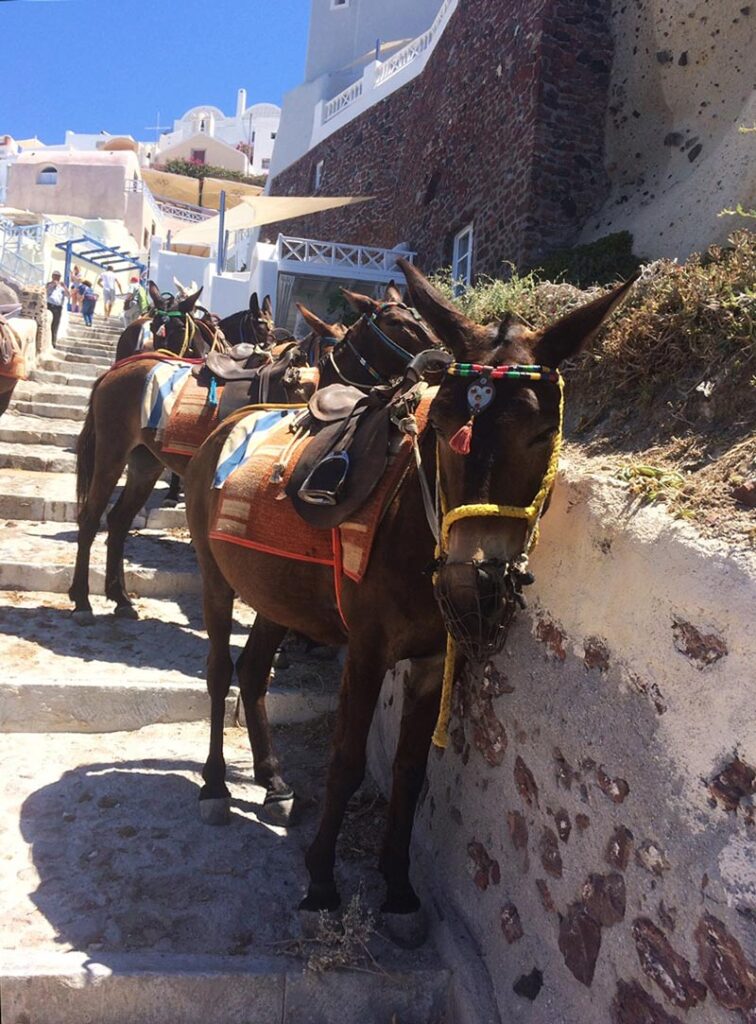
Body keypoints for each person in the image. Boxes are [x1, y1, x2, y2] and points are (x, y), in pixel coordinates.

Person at [45, 271, 69, 345]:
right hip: (49, 305)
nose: (56, 278)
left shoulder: (62, 287)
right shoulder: (49, 284)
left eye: (58, 277)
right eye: (55, 276)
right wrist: (52, 285)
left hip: (58, 308)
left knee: (55, 325)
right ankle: (46, 341)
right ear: (52, 276)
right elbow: (45, 291)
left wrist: (65, 287)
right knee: (47, 323)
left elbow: (68, 295)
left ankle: (53, 342)